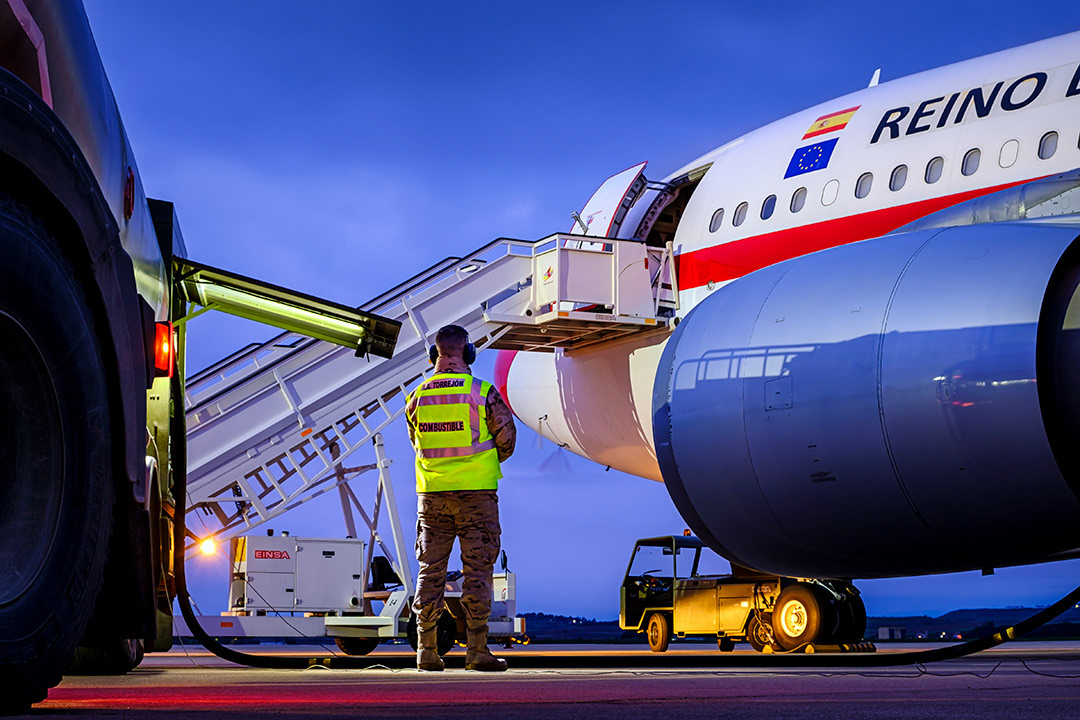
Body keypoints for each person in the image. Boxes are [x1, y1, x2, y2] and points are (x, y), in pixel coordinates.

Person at [405, 324, 516, 672]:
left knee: (430, 572)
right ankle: (477, 651)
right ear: (468, 352)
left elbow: (416, 442)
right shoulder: (482, 393)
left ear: (434, 354)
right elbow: (507, 440)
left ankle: (426, 651)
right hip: (476, 496)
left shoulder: (416, 397)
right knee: (478, 572)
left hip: (432, 497)